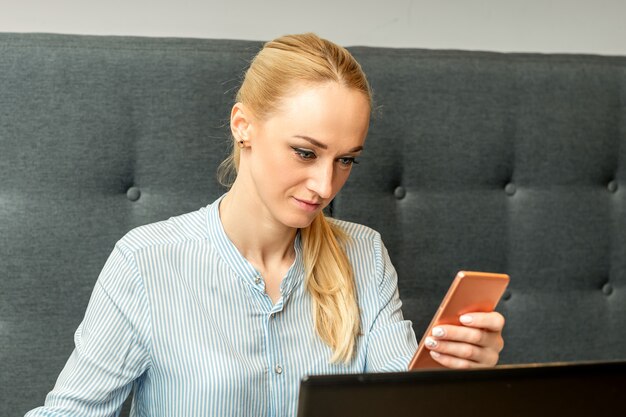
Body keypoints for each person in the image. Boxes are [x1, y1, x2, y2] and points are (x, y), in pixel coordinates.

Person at [26, 33, 505, 417]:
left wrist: (458, 374)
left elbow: (401, 403)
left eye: (346, 160)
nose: (324, 185)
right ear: (244, 126)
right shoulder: (146, 263)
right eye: (305, 152)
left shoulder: (364, 254)